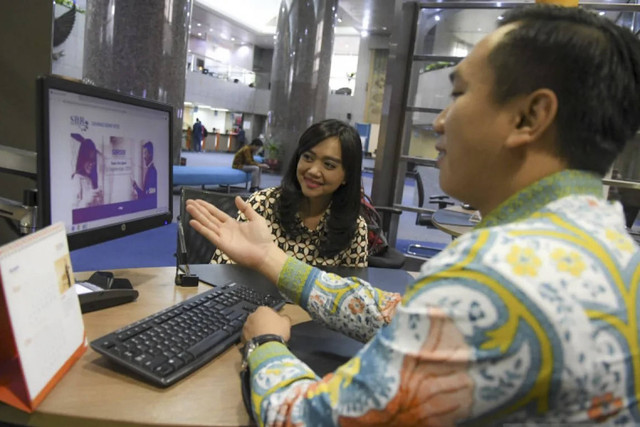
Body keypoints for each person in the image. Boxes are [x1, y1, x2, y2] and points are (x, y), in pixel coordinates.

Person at [187, 5, 640, 425]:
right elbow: (390, 314)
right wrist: (269, 256)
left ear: (530, 116)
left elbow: (308, 418)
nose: (440, 121)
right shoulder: (609, 250)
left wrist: (266, 344)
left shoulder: (492, 276)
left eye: (459, 93)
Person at [212, 119, 369, 267]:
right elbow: (222, 268)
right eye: (307, 157)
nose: (313, 170)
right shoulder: (263, 205)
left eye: (329, 165)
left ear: (347, 175)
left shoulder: (354, 227)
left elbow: (353, 292)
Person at [71, 133, 102, 208]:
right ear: (83, 160)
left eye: (93, 161)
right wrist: (88, 199)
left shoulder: (89, 179)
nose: (91, 164)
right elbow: (73, 208)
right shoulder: (76, 179)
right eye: (89, 160)